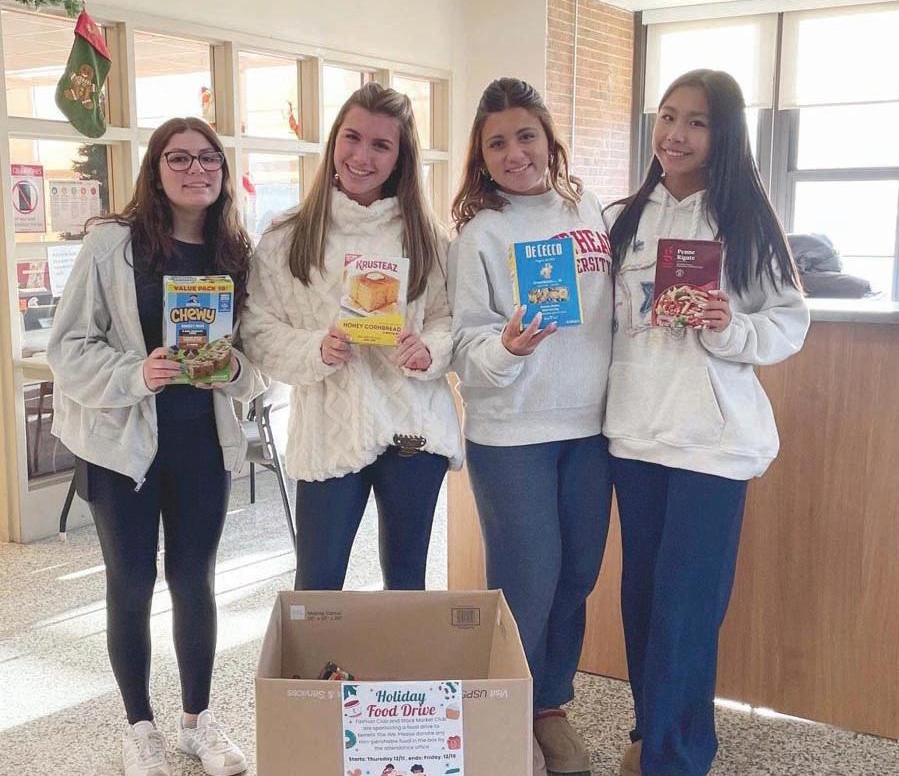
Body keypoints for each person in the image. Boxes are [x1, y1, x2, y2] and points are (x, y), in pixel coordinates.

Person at [604, 69, 810, 776]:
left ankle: (677, 759)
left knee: (686, 613)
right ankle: (652, 732)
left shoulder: (747, 222)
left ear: (723, 135)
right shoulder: (622, 219)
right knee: (641, 602)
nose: (676, 134)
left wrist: (728, 328)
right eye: (667, 117)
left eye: (696, 121)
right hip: (635, 438)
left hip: (711, 447)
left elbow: (788, 323)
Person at [48, 117, 266, 776]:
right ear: (155, 168)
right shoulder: (112, 245)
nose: (196, 169)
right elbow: (67, 348)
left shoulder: (236, 254)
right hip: (121, 448)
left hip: (202, 443)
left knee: (195, 580)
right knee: (131, 582)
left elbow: (258, 360)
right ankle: (139, 726)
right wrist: (134, 374)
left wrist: (234, 370)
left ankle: (198, 722)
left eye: (209, 158)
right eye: (179, 158)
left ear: (223, 171)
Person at [448, 77, 614, 776]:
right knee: (527, 582)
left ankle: (548, 706)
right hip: (511, 433)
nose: (515, 153)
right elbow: (463, 345)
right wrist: (507, 349)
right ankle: (507, 719)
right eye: (497, 143)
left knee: (577, 575)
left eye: (526, 136)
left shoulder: (588, 206)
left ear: (549, 138)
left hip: (592, 427)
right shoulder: (480, 235)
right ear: (481, 157)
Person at [240, 82, 462, 592]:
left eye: (381, 145)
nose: (362, 157)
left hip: (413, 426)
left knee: (407, 585)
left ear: (401, 157)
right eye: (353, 138)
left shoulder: (428, 237)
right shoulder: (287, 236)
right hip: (329, 427)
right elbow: (256, 327)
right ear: (334, 140)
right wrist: (315, 349)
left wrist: (428, 348)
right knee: (317, 586)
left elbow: (451, 318)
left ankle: (401, 653)